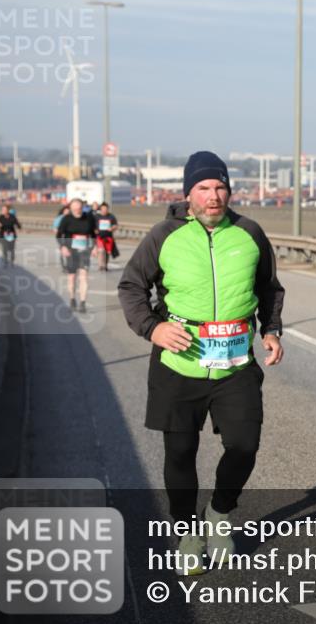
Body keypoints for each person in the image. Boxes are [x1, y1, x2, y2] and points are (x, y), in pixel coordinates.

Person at [118, 151, 284, 576]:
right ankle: (188, 532)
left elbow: (269, 288)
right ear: (188, 193)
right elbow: (132, 286)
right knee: (180, 453)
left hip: (234, 364)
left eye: (220, 187)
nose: (214, 196)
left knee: (245, 446)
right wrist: (152, 329)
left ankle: (219, 513)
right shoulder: (164, 235)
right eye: (204, 188)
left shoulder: (249, 233)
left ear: (229, 190)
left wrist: (271, 329)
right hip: (179, 364)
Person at [56, 198, 97, 313]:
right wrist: (63, 247)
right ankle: (72, 298)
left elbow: (93, 234)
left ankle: (83, 302)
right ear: (71, 208)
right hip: (71, 251)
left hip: (84, 251)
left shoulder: (89, 218)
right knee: (72, 277)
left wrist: (94, 247)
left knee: (83, 276)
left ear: (82, 208)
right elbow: (59, 235)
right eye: (74, 209)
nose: (77, 211)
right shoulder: (66, 219)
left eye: (79, 209)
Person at [94, 202, 119, 272]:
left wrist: (112, 228)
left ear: (108, 209)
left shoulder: (111, 216)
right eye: (103, 209)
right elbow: (92, 225)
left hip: (108, 237)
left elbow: (115, 225)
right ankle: (100, 265)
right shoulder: (96, 216)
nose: (104, 210)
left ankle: (105, 265)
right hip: (99, 236)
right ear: (101, 209)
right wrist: (95, 230)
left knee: (107, 252)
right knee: (101, 250)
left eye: (106, 209)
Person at [52, 206, 70, 272]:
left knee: (69, 251)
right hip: (61, 237)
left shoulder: (71, 218)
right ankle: (64, 266)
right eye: (66, 211)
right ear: (63, 211)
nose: (67, 212)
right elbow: (55, 228)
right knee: (63, 251)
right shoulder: (59, 218)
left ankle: (68, 265)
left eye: (68, 211)